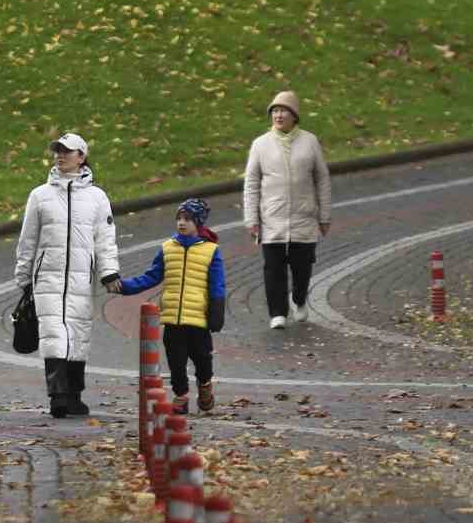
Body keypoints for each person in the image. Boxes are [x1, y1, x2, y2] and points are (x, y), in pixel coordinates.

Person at [13, 133, 120, 417]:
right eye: (57, 151)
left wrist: (109, 272)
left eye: (67, 151)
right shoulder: (40, 196)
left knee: (78, 334)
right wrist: (23, 276)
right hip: (47, 277)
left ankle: (74, 394)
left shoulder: (97, 198)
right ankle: (58, 396)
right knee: (54, 333)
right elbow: (28, 239)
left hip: (81, 278)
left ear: (81, 157)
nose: (60, 156)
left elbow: (105, 239)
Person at [118, 198, 226, 414]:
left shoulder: (211, 251)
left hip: (198, 318)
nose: (181, 223)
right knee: (176, 361)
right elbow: (151, 276)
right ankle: (181, 395)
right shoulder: (168, 248)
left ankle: (205, 385)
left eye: (187, 219)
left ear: (198, 223)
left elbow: (217, 284)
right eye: (179, 218)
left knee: (203, 359)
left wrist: (217, 312)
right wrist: (124, 287)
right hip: (172, 318)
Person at [242, 90, 332, 329]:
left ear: (294, 116)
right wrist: (251, 219)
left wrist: (324, 216)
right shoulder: (260, 144)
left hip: (304, 219)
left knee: (302, 268)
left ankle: (298, 299)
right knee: (273, 268)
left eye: (283, 111)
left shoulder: (310, 142)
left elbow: (322, 179)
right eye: (275, 111)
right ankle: (277, 313)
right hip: (272, 219)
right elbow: (251, 184)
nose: (278, 115)